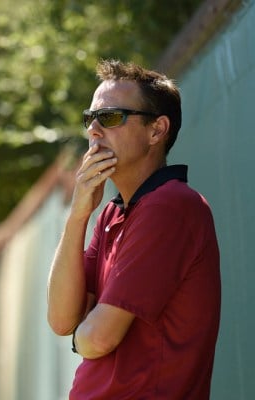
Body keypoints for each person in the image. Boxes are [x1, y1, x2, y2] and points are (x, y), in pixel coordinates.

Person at [46, 59, 221, 399]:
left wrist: (85, 327)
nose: (94, 130)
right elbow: (61, 318)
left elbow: (98, 338)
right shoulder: (112, 213)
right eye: (90, 118)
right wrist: (77, 217)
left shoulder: (170, 206)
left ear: (156, 130)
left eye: (110, 116)